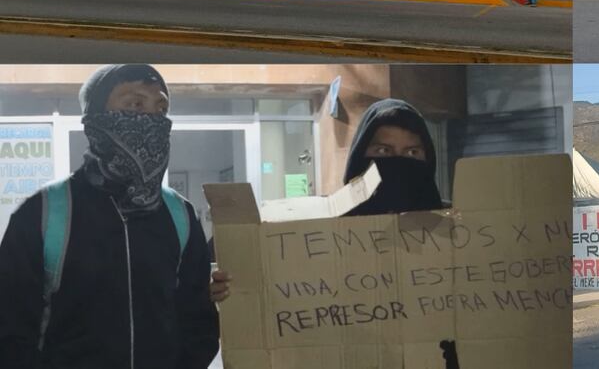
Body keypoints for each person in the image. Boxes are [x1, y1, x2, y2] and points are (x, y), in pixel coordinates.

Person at [0, 65, 221, 369]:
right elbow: (11, 331)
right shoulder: (42, 213)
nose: (152, 119)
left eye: (161, 108)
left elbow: (197, 323)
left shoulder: (179, 215)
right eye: (134, 104)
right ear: (96, 119)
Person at [210, 98, 443, 303]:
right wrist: (224, 286)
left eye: (412, 152)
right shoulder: (320, 229)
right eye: (383, 151)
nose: (398, 164)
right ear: (359, 158)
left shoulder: (459, 228)